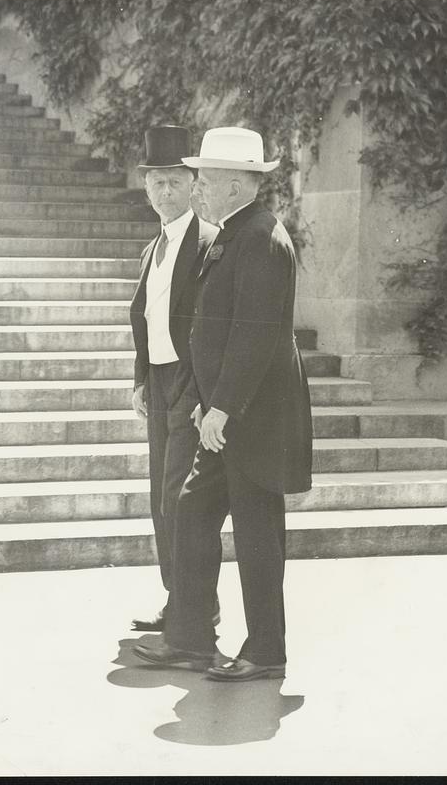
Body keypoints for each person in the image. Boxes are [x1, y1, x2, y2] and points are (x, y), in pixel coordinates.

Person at [134, 127, 313, 681]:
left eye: (206, 181)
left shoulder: (260, 237)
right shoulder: (236, 233)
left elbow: (254, 335)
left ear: (237, 185)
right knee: (191, 512)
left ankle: (265, 650)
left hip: (252, 420)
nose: (198, 191)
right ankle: (189, 638)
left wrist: (222, 407)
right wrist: (207, 402)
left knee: (258, 534)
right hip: (225, 416)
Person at [129, 125, 219, 631]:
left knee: (179, 498)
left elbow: (210, 324)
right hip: (159, 384)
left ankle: (197, 608)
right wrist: (141, 377)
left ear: (193, 184)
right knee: (158, 499)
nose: (165, 191)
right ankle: (178, 599)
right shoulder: (152, 249)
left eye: (174, 181)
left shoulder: (208, 243)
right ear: (146, 189)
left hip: (190, 384)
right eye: (156, 182)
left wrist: (201, 390)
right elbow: (145, 317)